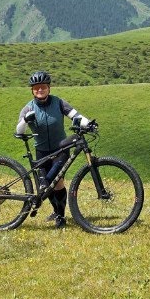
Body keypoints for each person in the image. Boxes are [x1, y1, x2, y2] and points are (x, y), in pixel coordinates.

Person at [15, 71, 92, 228]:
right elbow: (19, 130)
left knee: (57, 183)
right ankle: (56, 211)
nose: (40, 90)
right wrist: (25, 120)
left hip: (60, 148)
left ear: (48, 88)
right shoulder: (28, 108)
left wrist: (88, 123)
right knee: (46, 187)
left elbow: (75, 115)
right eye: (36, 88)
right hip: (41, 151)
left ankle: (61, 216)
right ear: (32, 90)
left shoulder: (58, 102)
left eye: (43, 87)